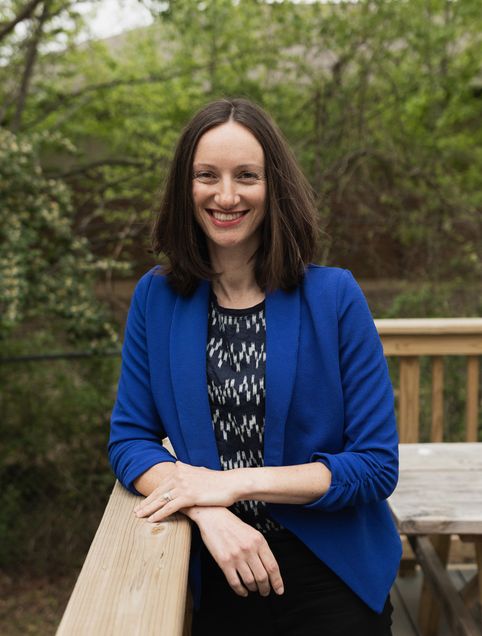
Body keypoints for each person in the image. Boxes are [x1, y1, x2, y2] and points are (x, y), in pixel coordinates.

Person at [108, 97, 402, 635]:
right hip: (218, 565)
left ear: (274, 187)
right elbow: (129, 440)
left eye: (247, 175)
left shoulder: (335, 297)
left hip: (332, 567)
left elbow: (375, 466)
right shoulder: (156, 297)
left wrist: (232, 485)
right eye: (206, 176)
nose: (226, 195)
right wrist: (206, 510)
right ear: (185, 187)